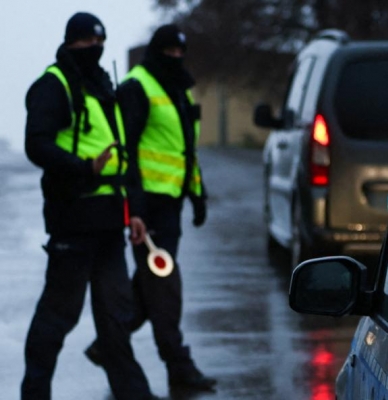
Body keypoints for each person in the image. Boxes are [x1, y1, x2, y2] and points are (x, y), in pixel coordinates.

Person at [22, 12, 157, 400]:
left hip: (112, 223)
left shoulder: (102, 87)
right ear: (70, 43)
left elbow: (123, 158)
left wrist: (136, 213)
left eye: (98, 43)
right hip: (73, 220)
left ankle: (135, 394)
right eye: (85, 43)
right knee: (58, 316)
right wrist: (84, 167)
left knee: (116, 318)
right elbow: (38, 144)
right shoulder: (54, 85)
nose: (93, 50)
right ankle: (35, 393)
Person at [84, 24, 216, 392]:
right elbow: (127, 153)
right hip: (147, 207)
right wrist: (135, 208)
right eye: (169, 52)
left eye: (180, 52)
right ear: (157, 52)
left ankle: (107, 345)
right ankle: (179, 364)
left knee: (151, 285)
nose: (175, 58)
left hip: (169, 203)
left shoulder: (177, 89)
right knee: (163, 286)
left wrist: (197, 193)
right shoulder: (137, 86)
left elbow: (183, 149)